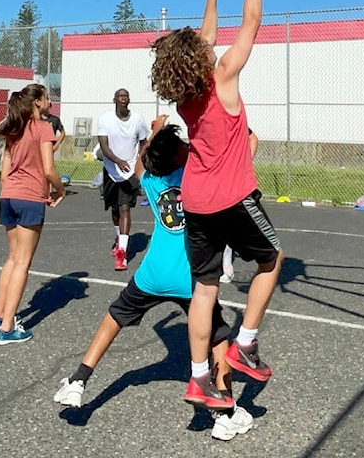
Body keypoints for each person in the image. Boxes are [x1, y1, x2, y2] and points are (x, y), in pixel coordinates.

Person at [53, 117, 253, 441]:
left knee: (114, 317)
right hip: (191, 279)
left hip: (153, 274)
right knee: (218, 340)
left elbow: (137, 164)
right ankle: (225, 413)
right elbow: (223, 156)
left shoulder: (152, 181)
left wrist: (155, 134)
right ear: (179, 156)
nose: (189, 146)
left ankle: (78, 380)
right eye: (184, 146)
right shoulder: (195, 178)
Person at [150, 0, 285, 409]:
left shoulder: (186, 94)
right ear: (201, 60)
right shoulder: (222, 75)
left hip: (196, 201)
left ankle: (199, 377)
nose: (209, 46)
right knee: (272, 260)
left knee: (205, 288)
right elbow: (252, 21)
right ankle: (246, 342)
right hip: (232, 196)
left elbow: (203, 40)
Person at [0, 84, 65, 345]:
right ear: (37, 102)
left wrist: (9, 189)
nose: (49, 102)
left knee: (12, 258)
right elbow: (48, 168)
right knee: (23, 262)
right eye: (46, 98)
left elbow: (4, 168)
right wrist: (60, 189)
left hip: (8, 196)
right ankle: (8, 328)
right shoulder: (44, 127)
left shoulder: (14, 127)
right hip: (30, 197)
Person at [96, 89, 151, 271]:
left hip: (129, 173)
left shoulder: (137, 119)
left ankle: (122, 253)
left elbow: (144, 142)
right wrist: (118, 161)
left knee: (125, 208)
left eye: (126, 96)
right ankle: (119, 238)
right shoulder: (105, 119)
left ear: (129, 100)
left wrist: (140, 162)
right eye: (120, 96)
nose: (123, 99)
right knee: (115, 210)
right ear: (115, 100)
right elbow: (103, 146)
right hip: (112, 170)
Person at [220, 128, 259, 283]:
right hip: (214, 180)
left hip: (231, 182)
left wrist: (245, 165)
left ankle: (227, 266)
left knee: (227, 224)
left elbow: (253, 138)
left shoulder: (232, 122)